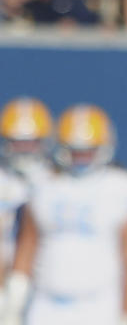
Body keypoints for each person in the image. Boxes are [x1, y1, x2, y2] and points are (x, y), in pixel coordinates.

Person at [4, 105, 127, 325]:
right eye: (75, 151)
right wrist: (16, 294)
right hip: (46, 303)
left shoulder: (122, 188)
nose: (81, 158)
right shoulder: (45, 186)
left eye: (87, 151)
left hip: (99, 304)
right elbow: (28, 243)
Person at [0, 98, 52, 274]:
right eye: (17, 143)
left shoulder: (56, 182)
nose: (24, 150)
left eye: (30, 143)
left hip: (43, 271)